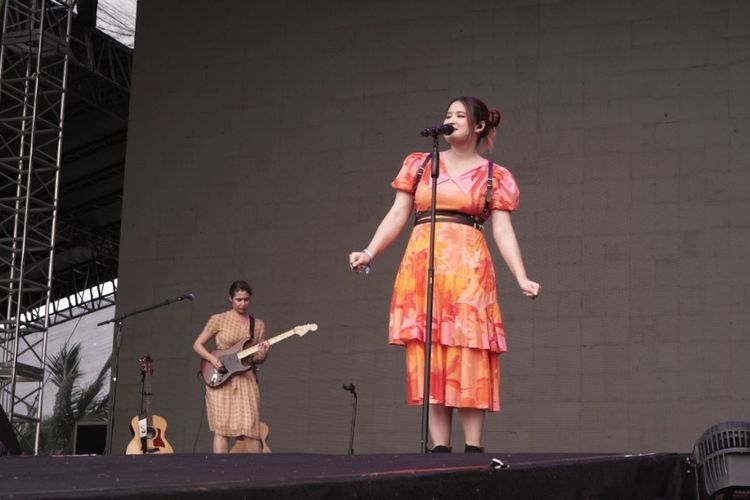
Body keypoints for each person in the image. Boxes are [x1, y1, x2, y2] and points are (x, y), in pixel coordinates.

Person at [349, 96, 540, 453]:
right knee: (433, 353)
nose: (449, 119)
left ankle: (473, 449)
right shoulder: (420, 165)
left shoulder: (493, 175)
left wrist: (521, 276)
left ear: (478, 126)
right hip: (424, 266)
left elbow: (503, 231)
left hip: (468, 271)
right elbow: (397, 214)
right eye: (447, 114)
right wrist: (369, 251)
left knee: (468, 352)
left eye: (459, 115)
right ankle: (439, 451)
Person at [193, 280, 270, 453]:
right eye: (238, 300)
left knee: (251, 428)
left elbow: (258, 358)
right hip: (221, 376)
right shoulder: (218, 319)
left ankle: (257, 472)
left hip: (245, 377)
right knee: (222, 429)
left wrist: (263, 351)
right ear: (230, 299)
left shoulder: (257, 324)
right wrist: (212, 360)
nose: (243, 303)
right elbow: (197, 344)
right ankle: (222, 471)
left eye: (246, 300)